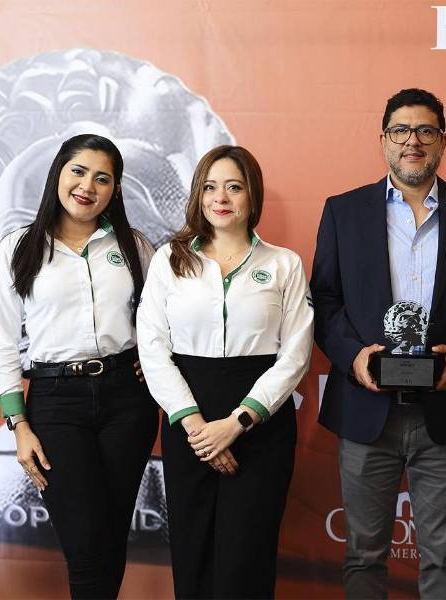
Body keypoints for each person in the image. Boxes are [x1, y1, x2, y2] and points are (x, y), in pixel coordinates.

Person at [311, 88, 446, 598]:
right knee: (362, 554)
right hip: (364, 408)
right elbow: (325, 301)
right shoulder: (343, 211)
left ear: (443, 140)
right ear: (384, 140)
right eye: (401, 130)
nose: (412, 141)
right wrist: (355, 356)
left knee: (443, 560)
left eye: (425, 131)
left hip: (443, 410)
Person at [0, 134, 159, 599]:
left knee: (112, 535)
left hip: (128, 400)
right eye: (78, 172)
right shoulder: (19, 248)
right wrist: (18, 422)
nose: (87, 186)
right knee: (85, 544)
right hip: (56, 402)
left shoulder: (134, 245)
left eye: (103, 178)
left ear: (115, 189)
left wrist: (154, 360)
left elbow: (161, 319)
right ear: (58, 174)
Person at [136, 144, 314, 599]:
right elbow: (153, 348)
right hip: (187, 418)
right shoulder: (169, 261)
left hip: (260, 423)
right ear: (198, 196)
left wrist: (238, 423)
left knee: (247, 560)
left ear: (252, 197)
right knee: (194, 555)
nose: (221, 197)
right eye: (210, 187)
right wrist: (198, 429)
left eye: (234, 187)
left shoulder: (283, 264)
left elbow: (294, 354)